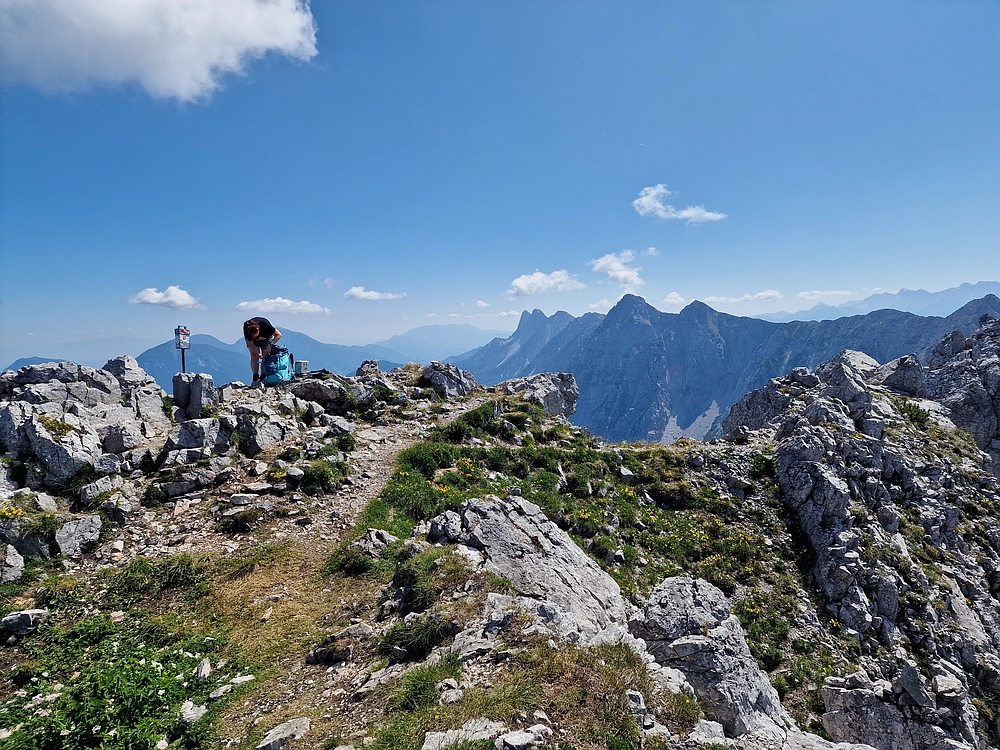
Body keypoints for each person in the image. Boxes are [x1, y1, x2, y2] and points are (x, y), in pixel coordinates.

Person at [243, 317, 282, 384]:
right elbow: (250, 343)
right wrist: (256, 353)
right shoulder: (247, 329)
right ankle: (255, 375)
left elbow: (278, 335)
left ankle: (263, 375)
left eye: (255, 336)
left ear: (258, 329)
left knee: (266, 354)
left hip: (266, 338)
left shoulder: (265, 324)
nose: (255, 337)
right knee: (254, 355)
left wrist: (270, 345)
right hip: (253, 341)